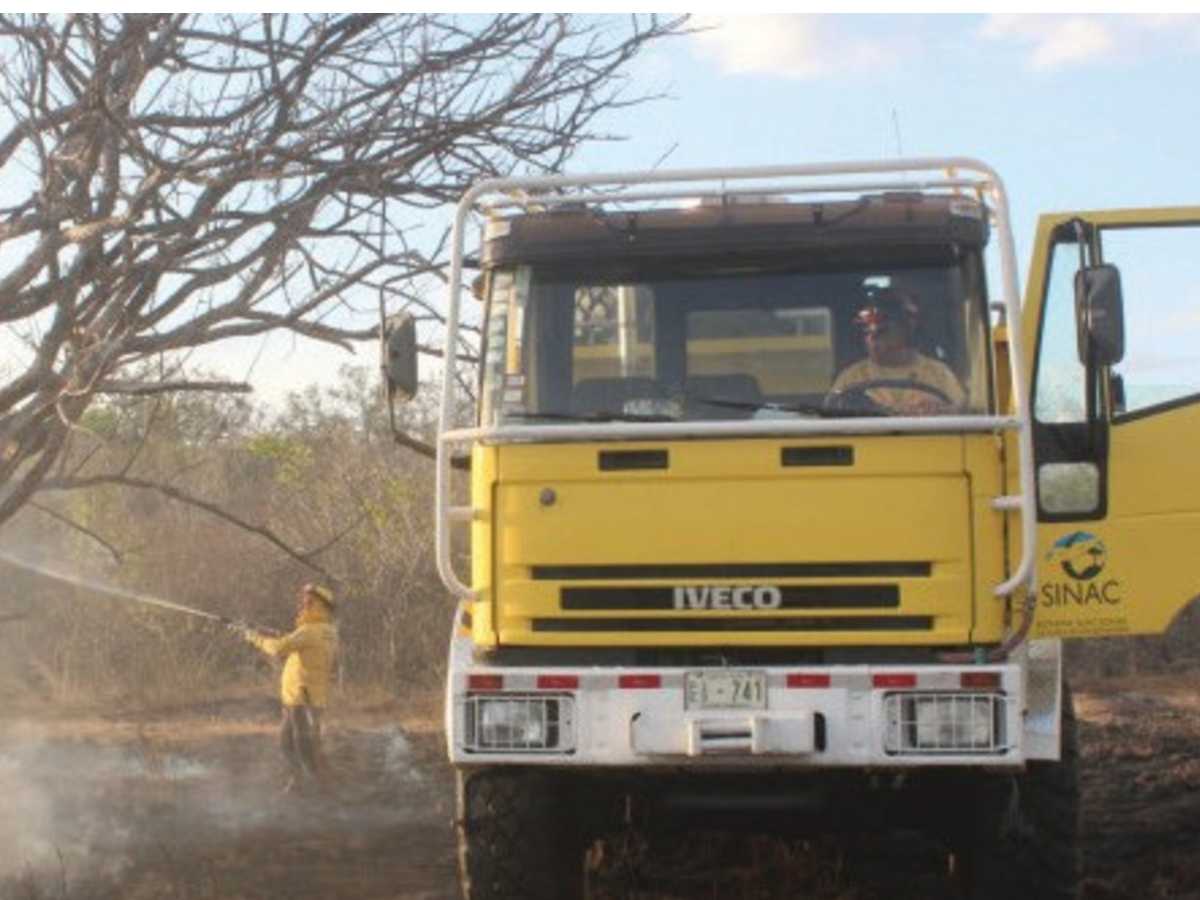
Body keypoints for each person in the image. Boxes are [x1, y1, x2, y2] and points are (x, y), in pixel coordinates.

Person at [231, 583, 339, 792]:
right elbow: (301, 644)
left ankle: (315, 786)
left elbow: (278, 648)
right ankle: (300, 783)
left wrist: (253, 637)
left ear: (318, 606)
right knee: (291, 743)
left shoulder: (309, 632)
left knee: (299, 745)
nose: (302, 605)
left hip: (302, 697)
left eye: (308, 602)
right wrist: (280, 635)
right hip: (308, 697)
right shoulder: (328, 632)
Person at [826, 289, 966, 415]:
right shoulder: (851, 377)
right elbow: (830, 416)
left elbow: (963, 414)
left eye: (881, 331)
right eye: (867, 332)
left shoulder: (939, 373)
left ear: (906, 329)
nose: (872, 339)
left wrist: (940, 409)